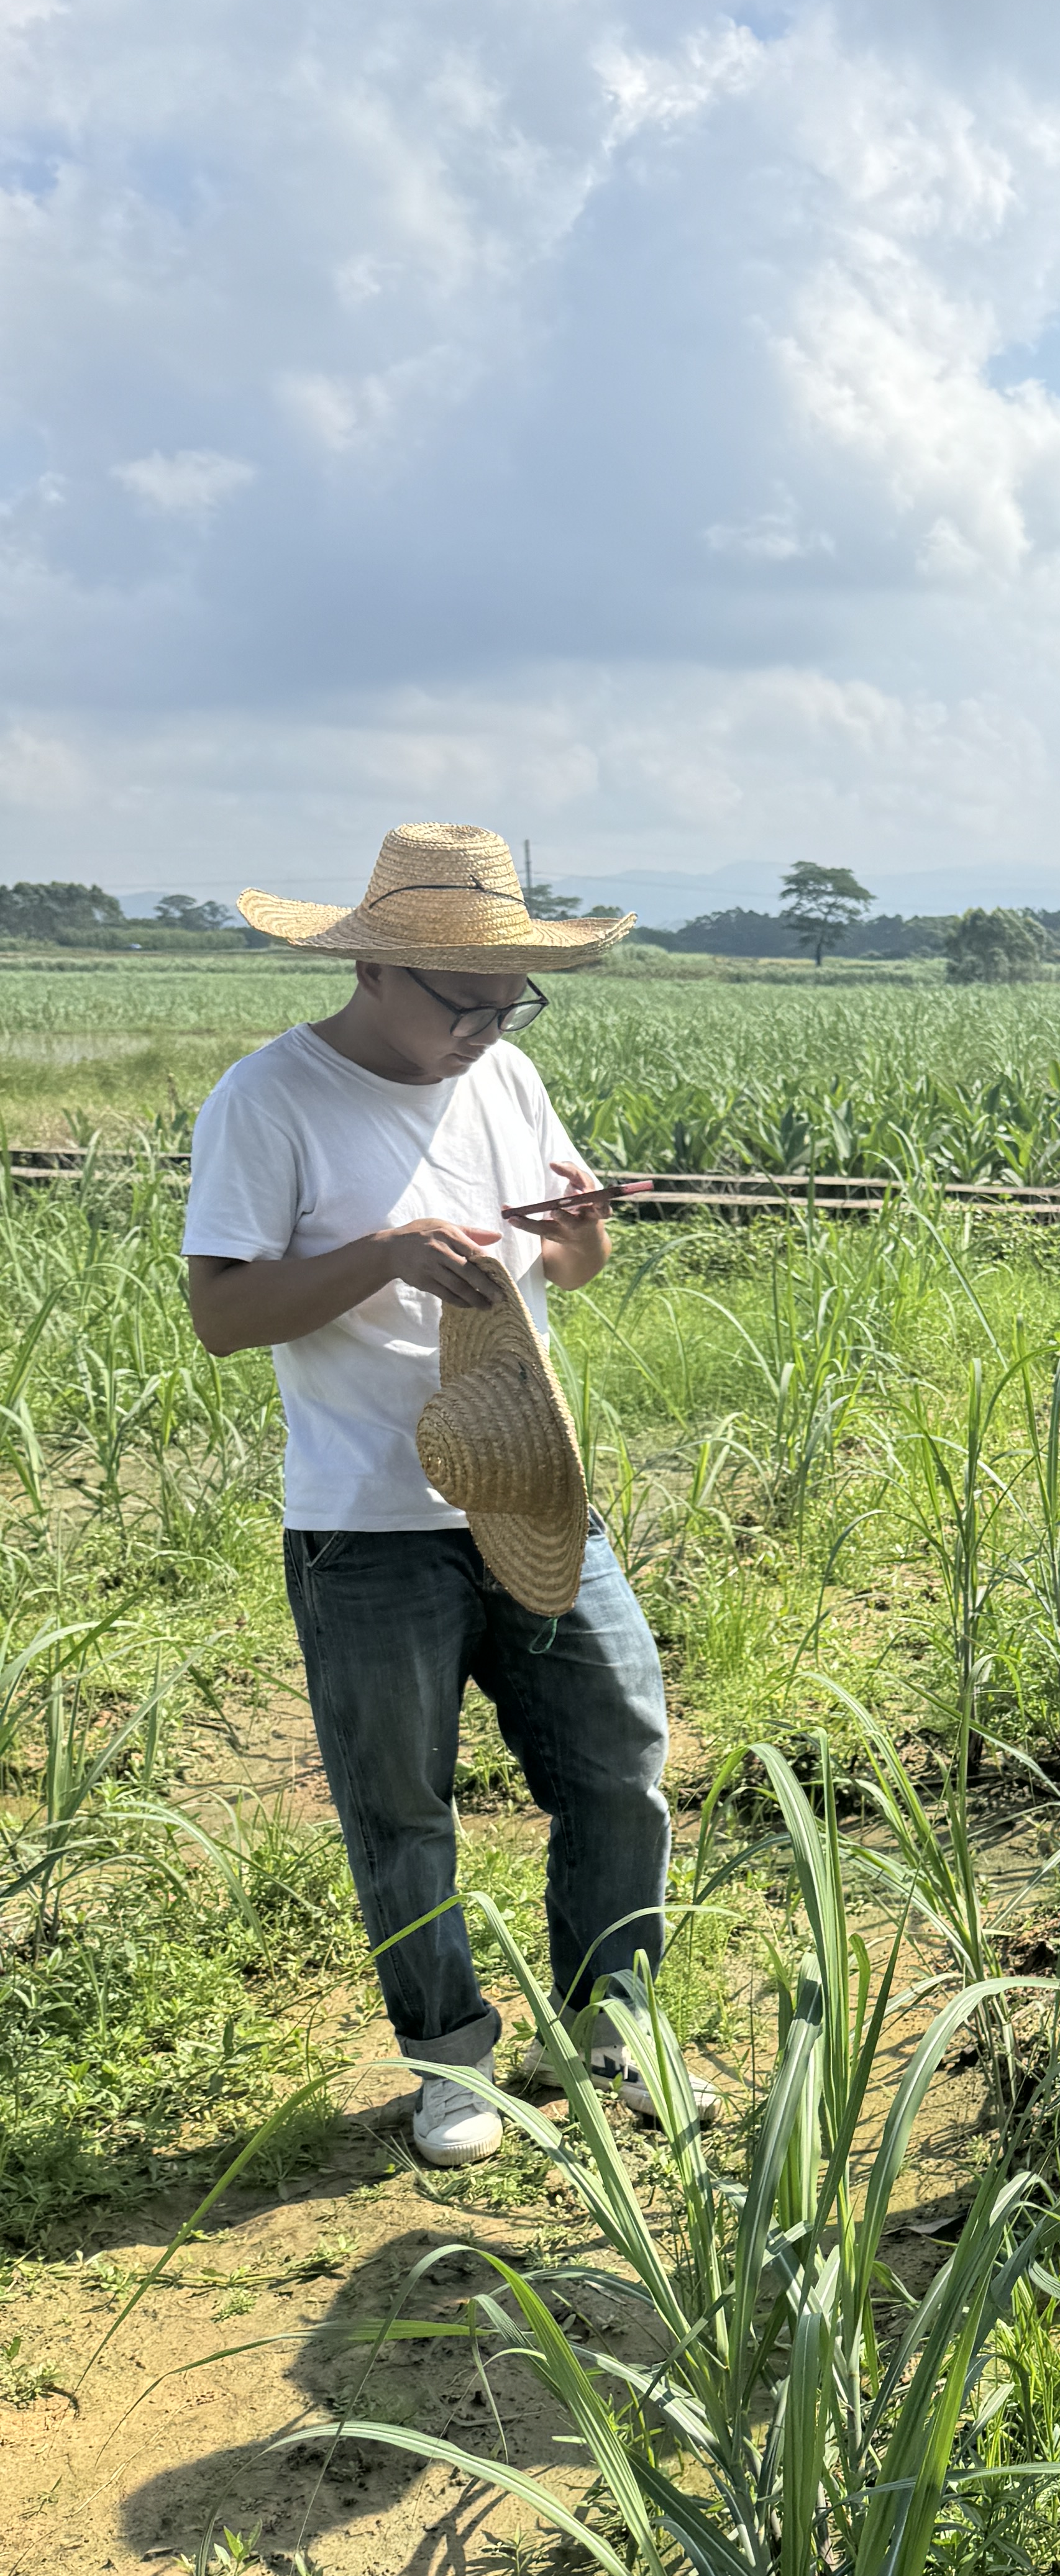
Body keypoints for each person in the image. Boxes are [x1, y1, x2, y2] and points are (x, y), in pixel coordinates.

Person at [183, 821, 712, 2170]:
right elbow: (224, 1314)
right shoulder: (271, 1099)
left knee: (620, 1760)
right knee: (402, 1807)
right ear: (375, 971)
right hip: (368, 1523)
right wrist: (382, 1255)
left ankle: (611, 2031)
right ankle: (450, 2061)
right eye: (464, 1002)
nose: (489, 1027)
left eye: (510, 1001)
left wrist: (584, 1232)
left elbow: (569, 1272)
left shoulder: (509, 1078)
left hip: (536, 1488)